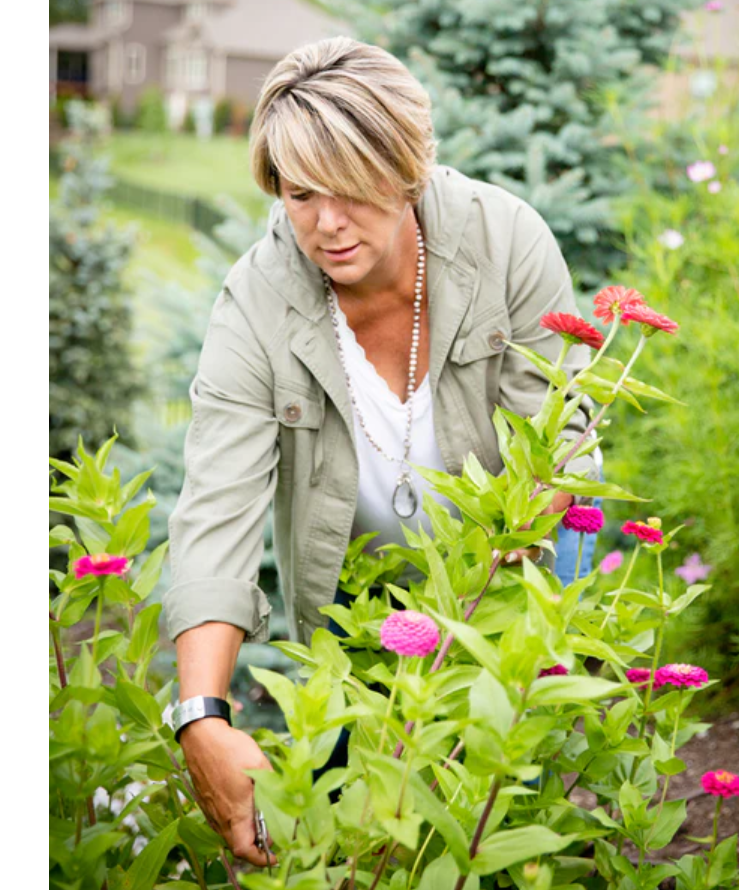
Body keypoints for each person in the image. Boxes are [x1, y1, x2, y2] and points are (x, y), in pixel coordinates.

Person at [163, 36, 600, 867]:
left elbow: (555, 451)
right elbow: (216, 508)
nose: (326, 224)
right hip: (357, 603)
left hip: (509, 568)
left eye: (352, 188)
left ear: (407, 171)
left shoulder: (505, 241)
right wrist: (201, 718)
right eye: (301, 193)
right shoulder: (255, 305)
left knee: (502, 810)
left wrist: (475, 641)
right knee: (359, 835)